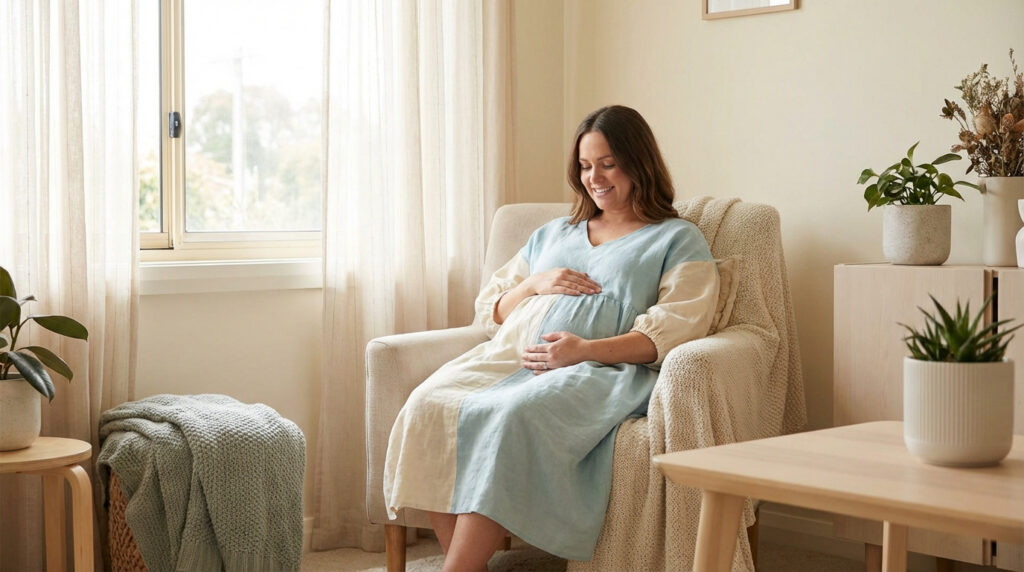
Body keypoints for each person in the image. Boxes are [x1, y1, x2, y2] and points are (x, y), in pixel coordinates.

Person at [382, 105, 719, 572]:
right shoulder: (552, 235)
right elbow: (492, 310)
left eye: (608, 163)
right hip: (511, 357)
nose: (594, 178)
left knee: (511, 416)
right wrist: (533, 284)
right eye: (584, 166)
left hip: (601, 368)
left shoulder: (675, 239)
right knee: (429, 404)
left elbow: (676, 327)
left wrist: (582, 351)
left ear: (638, 162)